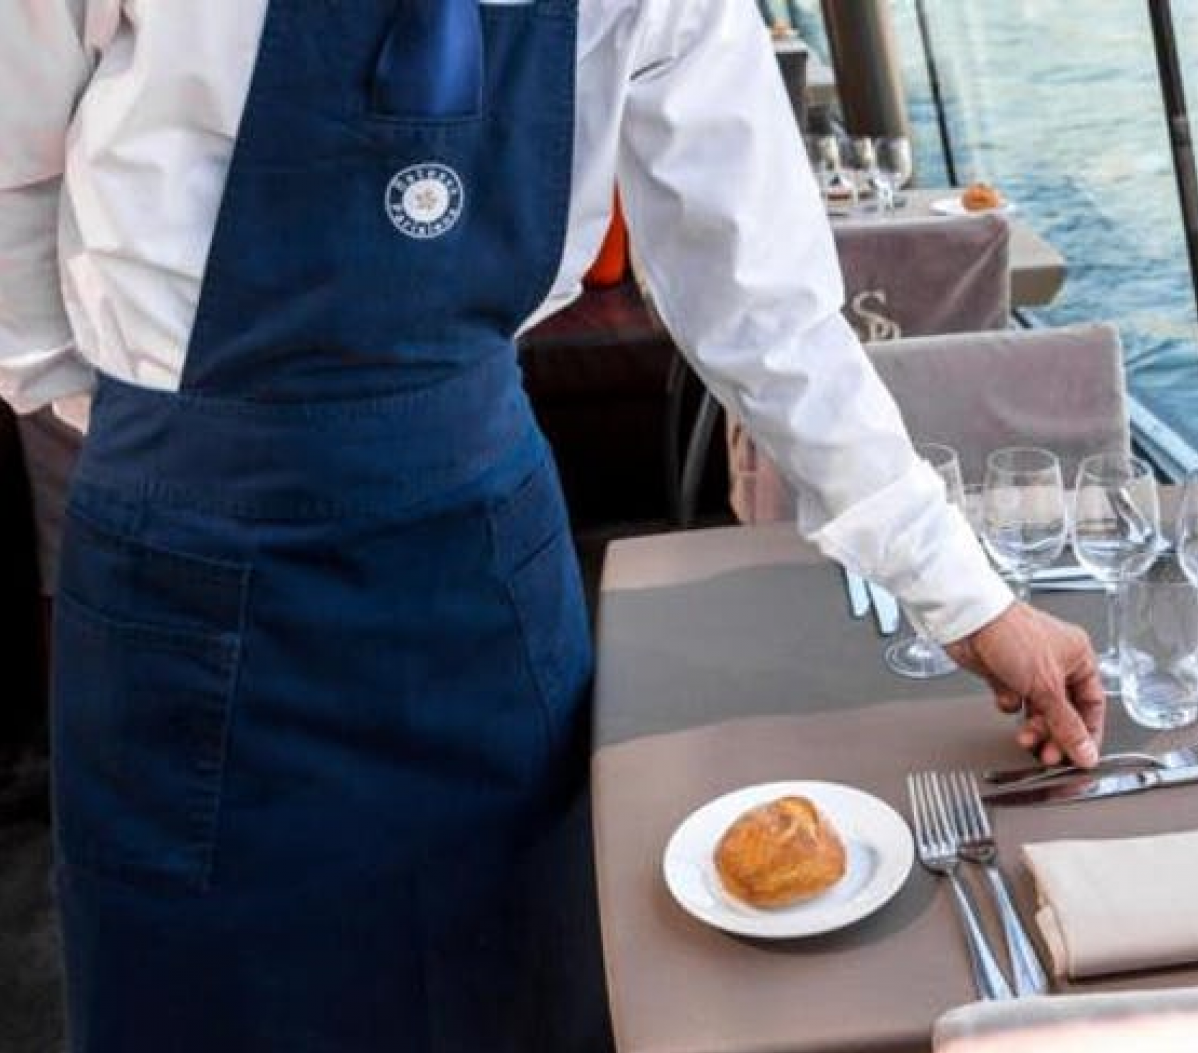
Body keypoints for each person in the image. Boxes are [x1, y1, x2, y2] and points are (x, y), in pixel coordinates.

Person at [0, 1, 1105, 1049]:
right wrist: (148, 431)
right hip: (189, 565)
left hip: (477, 569)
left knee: (508, 986)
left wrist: (970, 599)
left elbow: (766, 305)